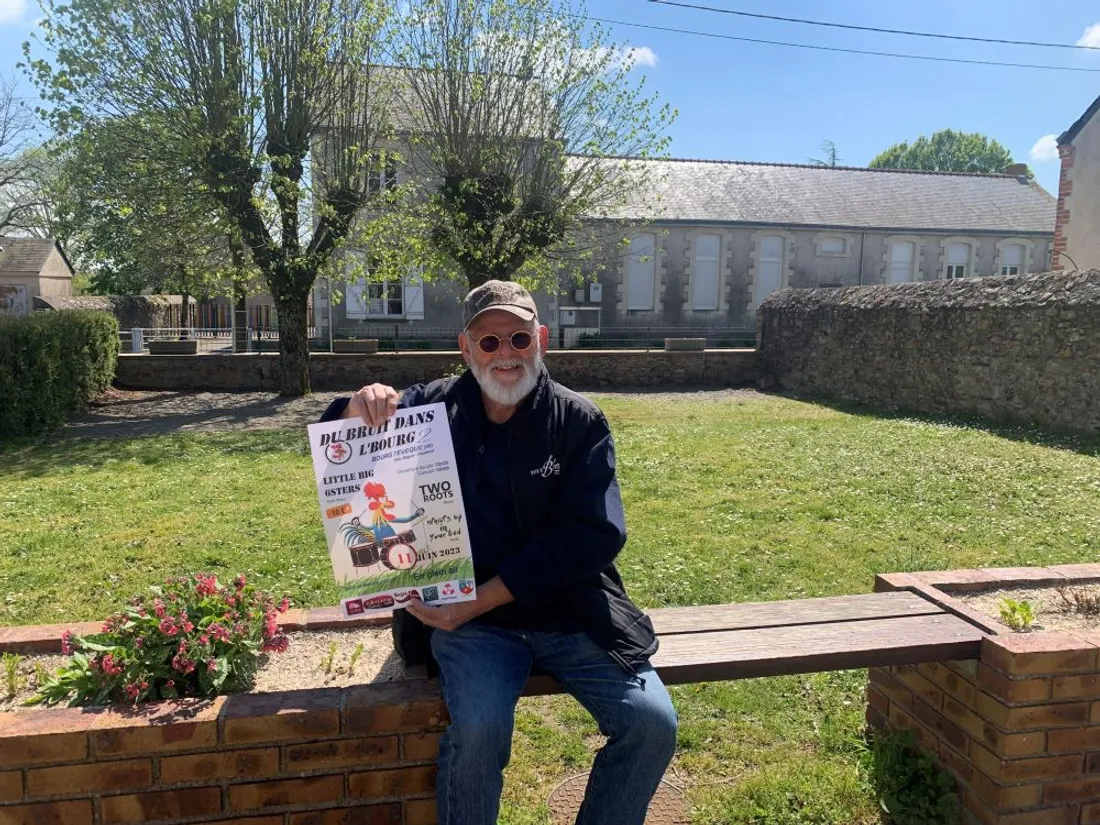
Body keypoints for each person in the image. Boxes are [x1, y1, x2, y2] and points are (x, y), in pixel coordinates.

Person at [320, 280, 677, 825]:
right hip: (471, 624)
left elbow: (592, 535)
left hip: (570, 610)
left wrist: (483, 597)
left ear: (542, 340)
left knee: (652, 724)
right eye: (489, 342)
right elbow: (340, 443)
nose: (505, 353)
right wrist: (356, 405)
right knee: (481, 730)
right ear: (466, 349)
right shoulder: (430, 409)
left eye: (519, 338)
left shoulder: (579, 421)